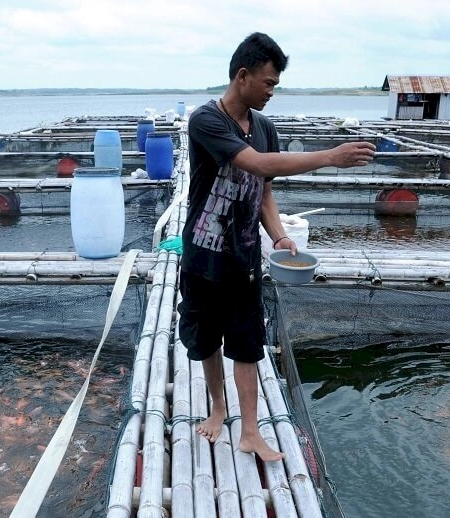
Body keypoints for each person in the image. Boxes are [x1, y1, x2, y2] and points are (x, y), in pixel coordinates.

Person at [179, 32, 375, 462]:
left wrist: (279, 236)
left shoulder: (265, 126)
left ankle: (250, 431)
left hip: (245, 255)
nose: (272, 92)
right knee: (208, 339)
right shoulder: (205, 121)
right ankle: (217, 408)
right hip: (203, 253)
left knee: (248, 341)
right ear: (243, 76)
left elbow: (263, 189)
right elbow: (256, 163)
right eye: (268, 83)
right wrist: (329, 156)